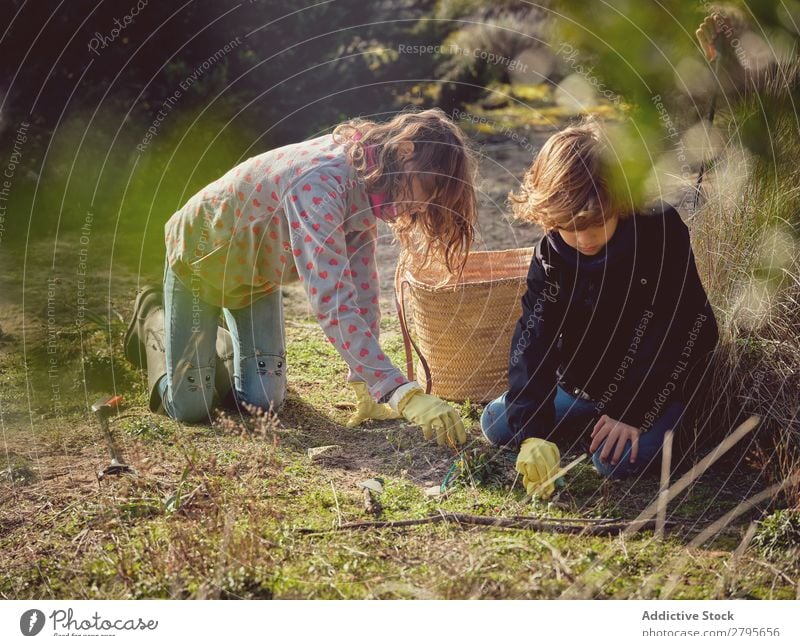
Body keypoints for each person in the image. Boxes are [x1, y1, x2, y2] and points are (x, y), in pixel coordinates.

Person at [124, 108, 477, 447]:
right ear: (404, 151)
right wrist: (402, 393)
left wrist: (369, 388)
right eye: (424, 190)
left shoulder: (370, 184)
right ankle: (154, 316)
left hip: (255, 279)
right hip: (199, 264)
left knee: (264, 402)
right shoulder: (322, 182)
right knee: (190, 406)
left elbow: (362, 289)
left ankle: (212, 342)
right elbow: (333, 301)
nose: (418, 208)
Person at [480, 117, 718, 496]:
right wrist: (533, 434)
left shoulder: (660, 232)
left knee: (613, 463)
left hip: (655, 386)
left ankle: (673, 423)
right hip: (583, 386)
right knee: (498, 422)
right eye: (568, 227)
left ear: (620, 202)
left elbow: (685, 328)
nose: (583, 239)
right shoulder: (550, 253)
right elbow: (533, 337)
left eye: (596, 224)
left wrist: (634, 411)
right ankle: (589, 421)